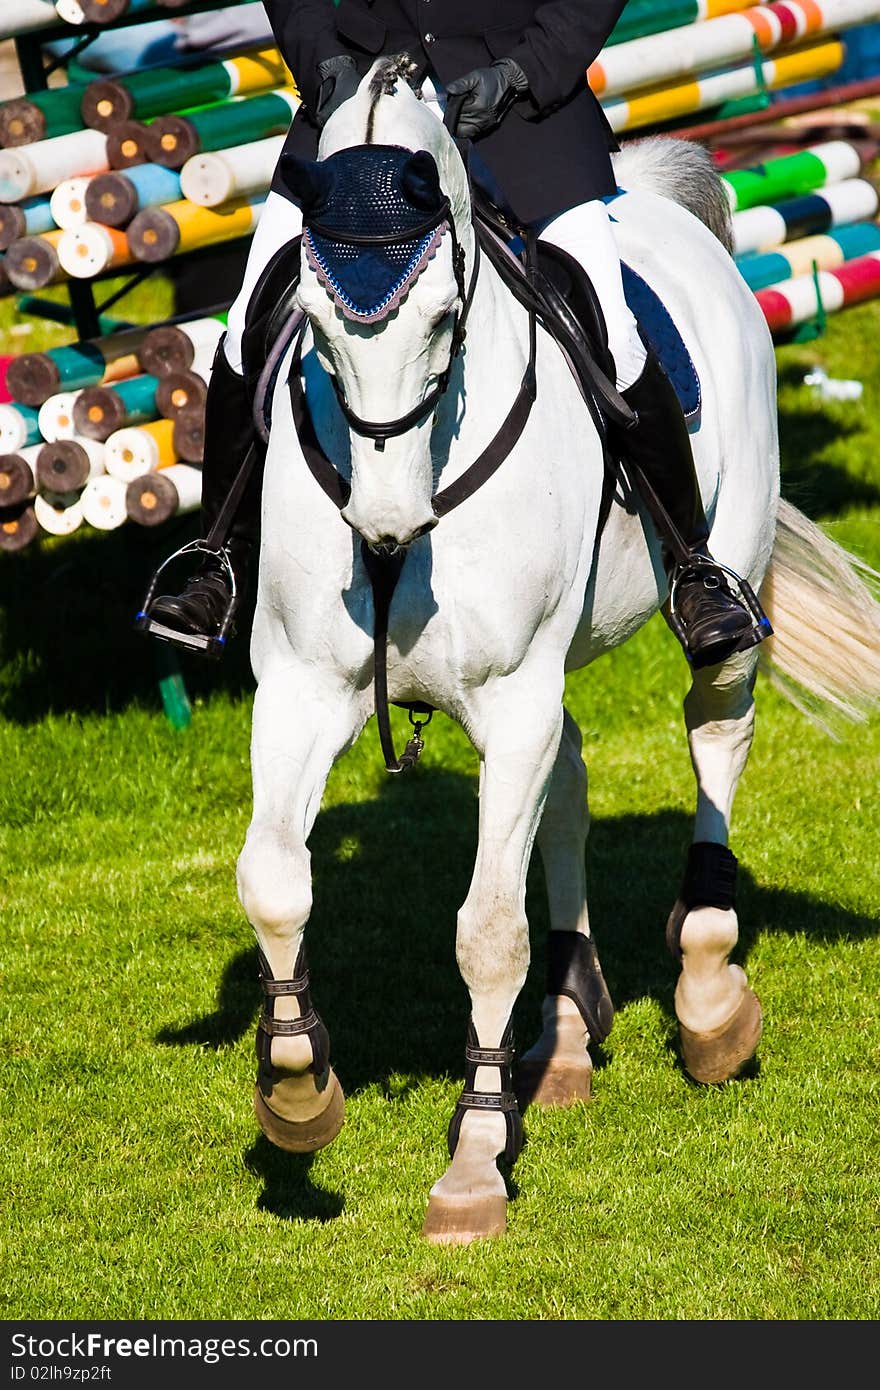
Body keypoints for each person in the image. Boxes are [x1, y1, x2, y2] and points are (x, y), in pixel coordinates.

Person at [142, 0, 768, 671]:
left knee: (612, 329)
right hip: (359, 111)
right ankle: (219, 559)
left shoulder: (520, 89)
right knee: (247, 327)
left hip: (519, 118)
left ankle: (693, 568)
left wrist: (523, 71)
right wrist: (320, 57)